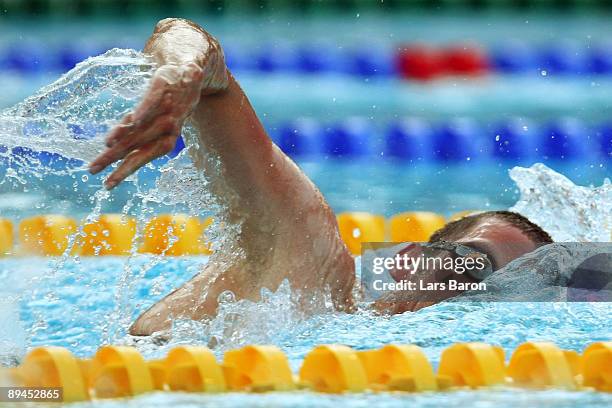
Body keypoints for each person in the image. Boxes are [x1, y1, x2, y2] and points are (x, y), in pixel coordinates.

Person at [88, 18, 554, 336]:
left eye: (511, 290)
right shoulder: (310, 267)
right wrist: (182, 69)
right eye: (475, 264)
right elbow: (193, 46)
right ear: (407, 260)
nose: (485, 291)